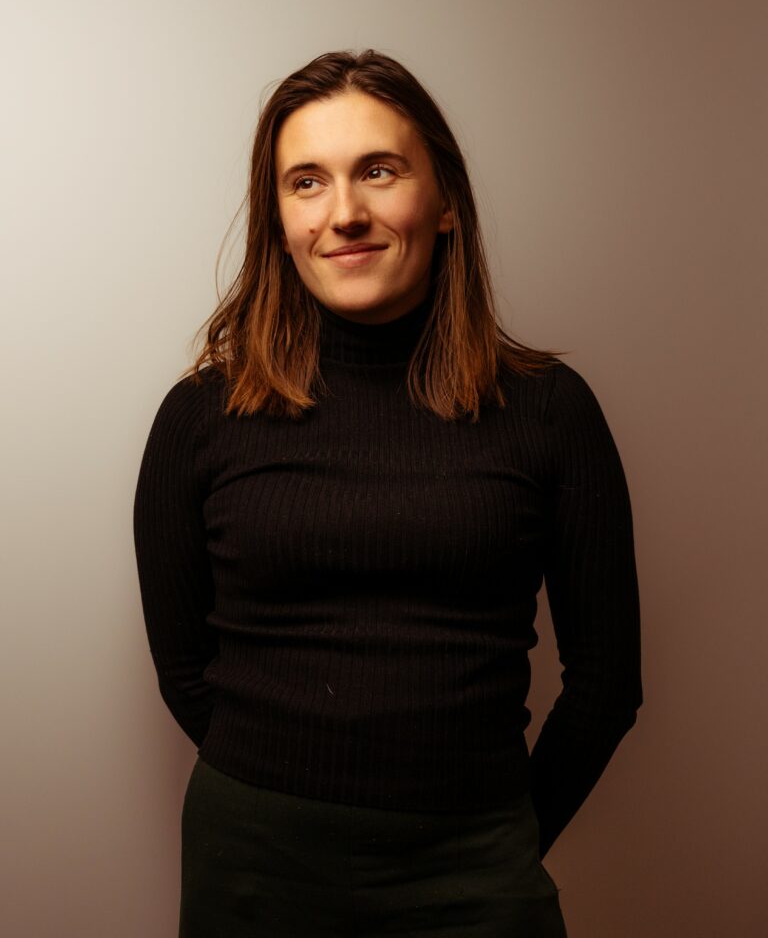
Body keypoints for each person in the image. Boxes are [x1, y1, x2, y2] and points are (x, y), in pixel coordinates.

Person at [134, 49, 641, 937]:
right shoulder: (200, 417)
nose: (345, 213)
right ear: (278, 221)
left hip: (475, 870)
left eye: (378, 170)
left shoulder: (550, 411)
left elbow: (606, 684)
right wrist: (284, 795)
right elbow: (184, 673)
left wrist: (500, 839)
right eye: (306, 182)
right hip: (250, 870)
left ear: (444, 202)